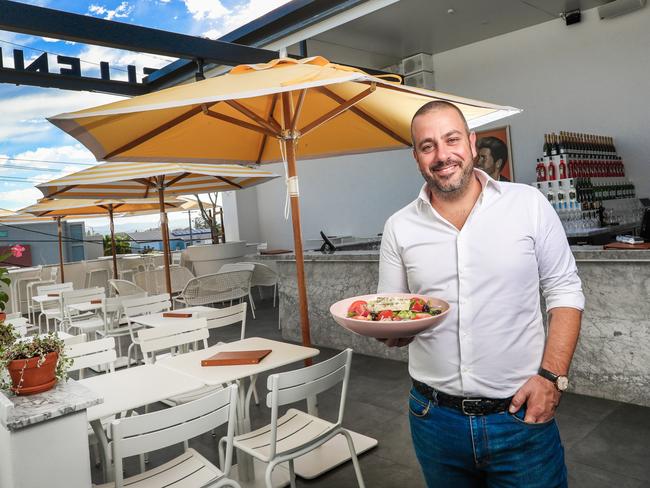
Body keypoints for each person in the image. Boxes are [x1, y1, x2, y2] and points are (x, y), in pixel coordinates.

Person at [377, 100, 584, 487]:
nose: (442, 155)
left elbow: (565, 291)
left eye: (451, 139)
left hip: (520, 415)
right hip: (433, 418)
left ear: (472, 144)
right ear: (416, 157)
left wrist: (552, 378)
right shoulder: (399, 226)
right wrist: (388, 331)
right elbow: (395, 311)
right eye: (427, 146)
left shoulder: (528, 205)